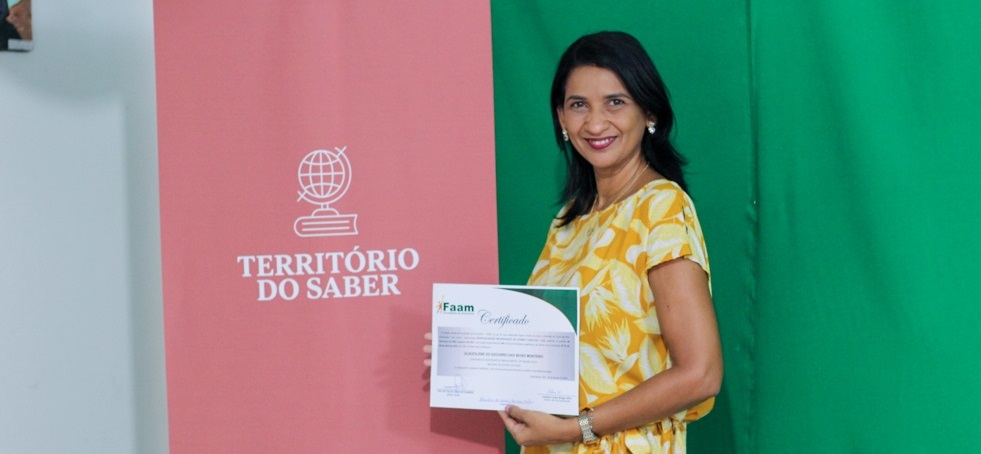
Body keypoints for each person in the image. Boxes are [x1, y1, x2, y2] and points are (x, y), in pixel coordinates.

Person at [426, 31, 722, 453]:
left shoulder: (661, 207)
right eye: (578, 104)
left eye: (615, 102)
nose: (595, 123)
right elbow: (551, 366)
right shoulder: (569, 223)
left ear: (649, 111)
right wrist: (467, 356)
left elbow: (701, 374)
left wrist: (571, 430)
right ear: (561, 119)